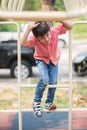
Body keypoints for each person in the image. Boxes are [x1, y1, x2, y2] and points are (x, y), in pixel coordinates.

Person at [21, 21, 72, 117]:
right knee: (44, 80)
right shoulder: (34, 39)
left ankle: (49, 103)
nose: (46, 39)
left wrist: (61, 19)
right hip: (41, 59)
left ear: (49, 31)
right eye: (42, 38)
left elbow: (70, 26)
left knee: (53, 82)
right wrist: (28, 29)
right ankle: (36, 102)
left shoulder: (54, 31)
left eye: (47, 35)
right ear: (37, 38)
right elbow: (23, 43)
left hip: (54, 60)